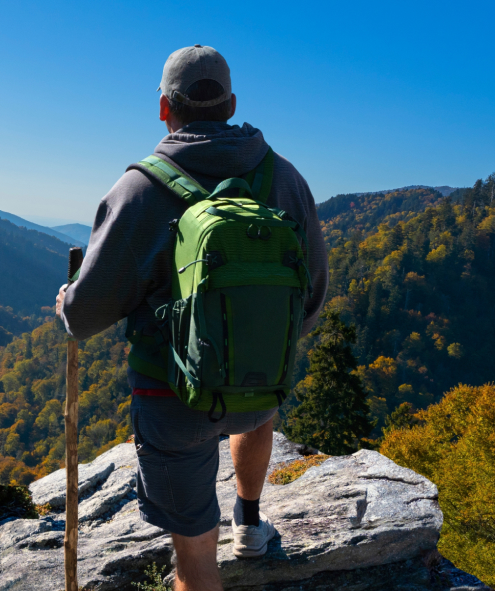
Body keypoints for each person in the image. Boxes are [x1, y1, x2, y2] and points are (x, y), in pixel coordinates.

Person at [55, 45, 327, 591]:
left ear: (164, 108)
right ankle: (249, 523)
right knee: (250, 390)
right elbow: (312, 296)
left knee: (197, 565)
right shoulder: (285, 179)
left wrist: (66, 302)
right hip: (258, 395)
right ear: (231, 103)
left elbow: (86, 316)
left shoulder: (140, 189)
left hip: (172, 404)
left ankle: (216, 549)